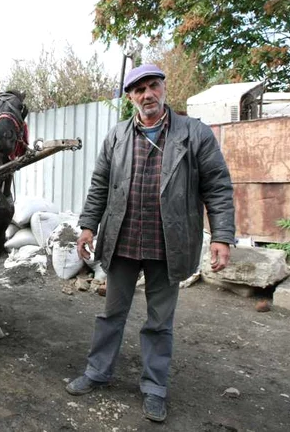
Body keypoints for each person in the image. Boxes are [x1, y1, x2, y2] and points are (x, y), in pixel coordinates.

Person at [65, 63, 235, 422]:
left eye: (153, 86)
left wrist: (222, 236)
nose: (147, 95)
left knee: (159, 322)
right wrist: (87, 227)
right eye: (139, 90)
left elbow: (217, 186)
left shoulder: (194, 134)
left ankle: (154, 388)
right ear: (130, 97)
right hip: (123, 240)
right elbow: (99, 185)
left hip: (168, 244)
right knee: (111, 313)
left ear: (164, 89)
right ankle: (98, 371)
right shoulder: (117, 136)